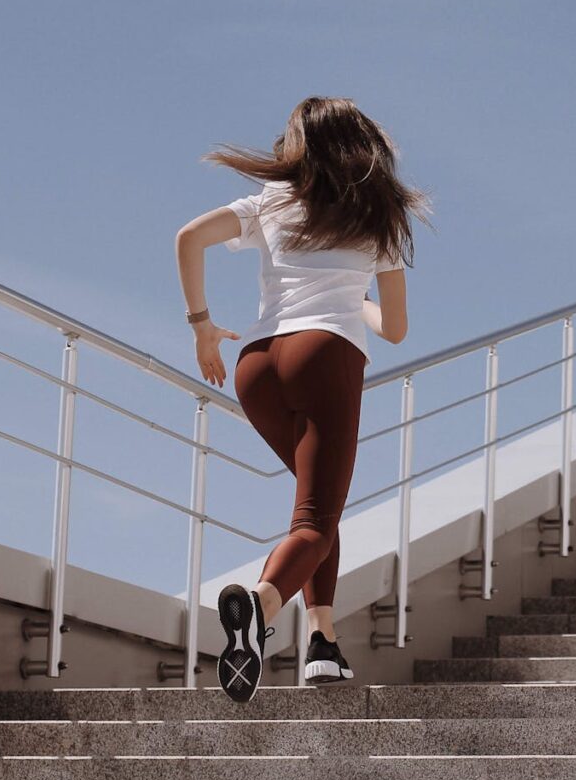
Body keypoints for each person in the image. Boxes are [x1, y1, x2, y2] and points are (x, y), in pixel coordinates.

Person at [175, 95, 433, 703]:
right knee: (315, 519)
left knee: (315, 507)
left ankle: (322, 642)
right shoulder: (380, 214)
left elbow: (189, 238)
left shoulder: (272, 200)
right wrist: (355, 300)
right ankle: (259, 609)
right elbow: (395, 329)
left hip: (257, 364)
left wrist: (202, 327)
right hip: (325, 357)